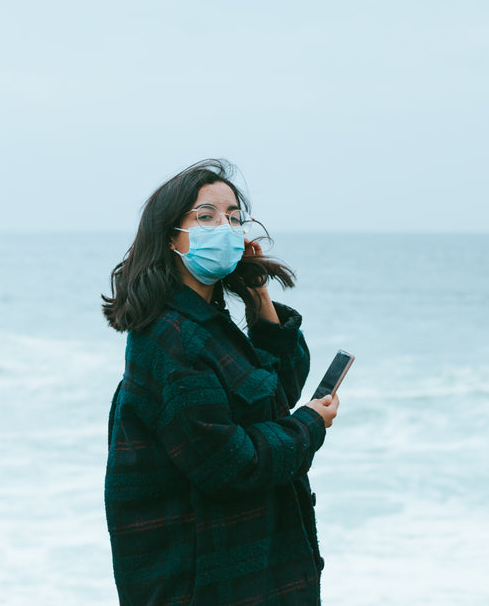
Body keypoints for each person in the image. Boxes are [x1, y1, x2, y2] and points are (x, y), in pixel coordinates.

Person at [102, 159, 339, 605]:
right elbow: (229, 464)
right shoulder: (172, 338)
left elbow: (273, 393)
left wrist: (259, 297)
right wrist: (309, 425)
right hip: (205, 583)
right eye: (206, 216)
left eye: (234, 217)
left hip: (250, 571)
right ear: (171, 234)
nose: (226, 228)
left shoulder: (207, 322)